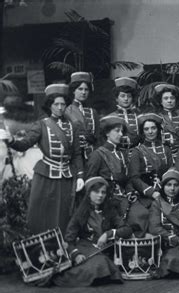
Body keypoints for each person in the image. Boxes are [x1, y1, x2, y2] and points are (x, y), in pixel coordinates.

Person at [0, 84, 84, 234]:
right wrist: (12, 140)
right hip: (45, 175)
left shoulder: (73, 126)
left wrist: (80, 176)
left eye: (63, 104)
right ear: (50, 106)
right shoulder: (41, 125)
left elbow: (77, 154)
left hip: (66, 175)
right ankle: (43, 245)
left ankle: (64, 243)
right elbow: (24, 144)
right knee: (42, 212)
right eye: (56, 104)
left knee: (65, 211)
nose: (59, 107)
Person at [53, 177, 133, 287]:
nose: (100, 195)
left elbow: (127, 229)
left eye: (103, 192)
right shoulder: (80, 213)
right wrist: (76, 255)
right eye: (96, 191)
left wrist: (108, 234)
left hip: (103, 250)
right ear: (89, 193)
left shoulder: (110, 211)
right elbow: (68, 240)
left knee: (103, 261)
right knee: (100, 263)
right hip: (86, 248)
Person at [127, 113, 172, 237]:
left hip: (166, 191)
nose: (150, 132)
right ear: (142, 131)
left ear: (158, 129)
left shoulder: (166, 149)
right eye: (146, 129)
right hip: (145, 194)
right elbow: (134, 178)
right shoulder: (137, 151)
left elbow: (171, 172)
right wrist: (151, 192)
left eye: (153, 128)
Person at [86, 115, 130, 217]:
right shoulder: (97, 154)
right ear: (107, 133)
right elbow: (90, 182)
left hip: (123, 196)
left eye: (122, 131)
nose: (120, 134)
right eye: (117, 131)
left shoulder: (122, 154)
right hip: (106, 199)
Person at [64, 72, 100, 161]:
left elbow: (97, 137)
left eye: (86, 89)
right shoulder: (67, 111)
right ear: (73, 90)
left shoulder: (93, 112)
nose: (83, 92)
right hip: (74, 156)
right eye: (80, 89)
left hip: (92, 156)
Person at [154, 83, 179, 162]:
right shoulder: (156, 118)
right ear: (161, 101)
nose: (169, 101)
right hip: (161, 156)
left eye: (172, 98)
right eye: (166, 98)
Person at [109, 77, 141, 155]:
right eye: (122, 96)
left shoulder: (139, 116)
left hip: (137, 154)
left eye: (129, 96)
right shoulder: (111, 117)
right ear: (117, 98)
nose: (126, 99)